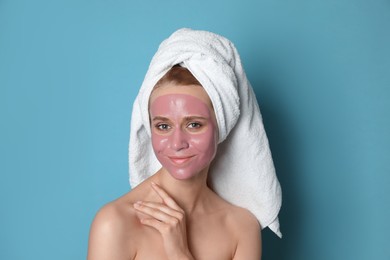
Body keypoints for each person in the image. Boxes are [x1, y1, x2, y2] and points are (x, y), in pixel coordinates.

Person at [88, 28, 282, 260]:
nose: (177, 143)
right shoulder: (115, 223)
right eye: (163, 126)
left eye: (194, 125)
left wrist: (179, 252)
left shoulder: (241, 227)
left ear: (222, 125)